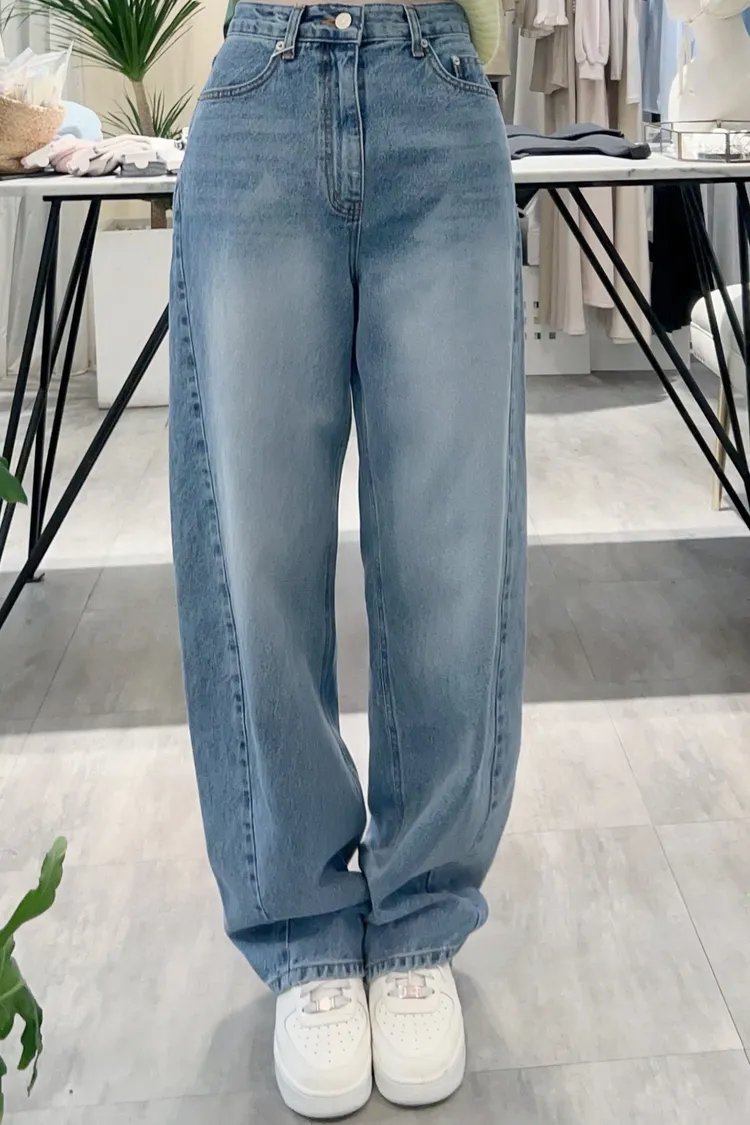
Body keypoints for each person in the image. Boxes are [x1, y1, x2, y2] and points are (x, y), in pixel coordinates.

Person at [169, 0, 526, 1116]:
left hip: (440, 89)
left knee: (451, 549)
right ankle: (303, 923)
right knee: (255, 552)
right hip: (257, 95)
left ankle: (420, 912)